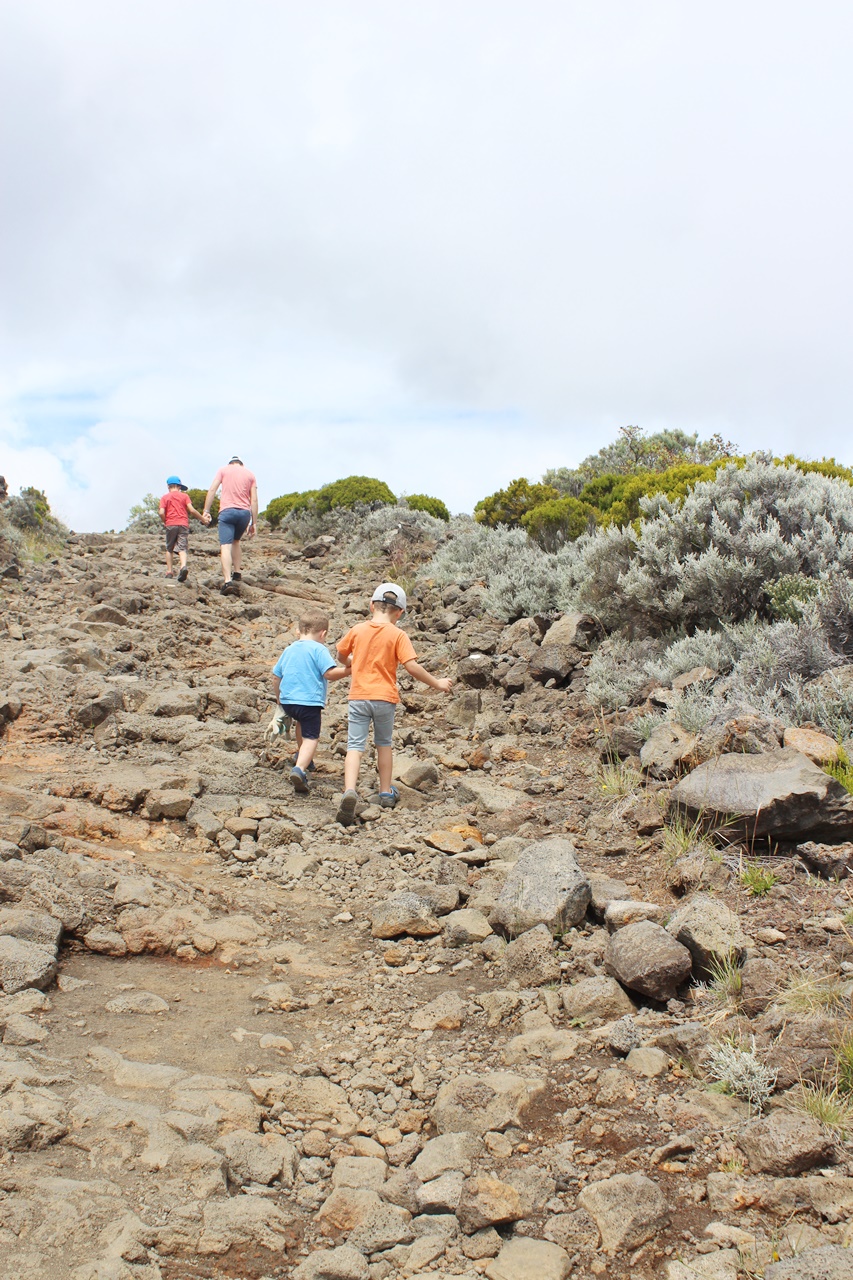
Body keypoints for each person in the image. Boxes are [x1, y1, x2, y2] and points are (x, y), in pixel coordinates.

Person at [334, 582, 453, 825]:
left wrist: (351, 664)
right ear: (399, 612)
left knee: (355, 746)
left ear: (371, 606)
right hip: (385, 698)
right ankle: (386, 792)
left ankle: (349, 790)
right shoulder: (398, 634)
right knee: (384, 744)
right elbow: (412, 667)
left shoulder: (357, 629)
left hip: (358, 696)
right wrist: (437, 683)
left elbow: (340, 655)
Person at [271, 611, 349, 793]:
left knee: (300, 724)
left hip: (289, 701)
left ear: (298, 631)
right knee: (311, 737)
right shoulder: (319, 649)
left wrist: (279, 699)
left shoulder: (289, 649)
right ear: (323, 634)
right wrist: (348, 671)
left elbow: (276, 676)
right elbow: (329, 673)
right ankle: (299, 769)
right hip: (310, 702)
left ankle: (304, 757)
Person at [201, 456, 258, 593]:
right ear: (241, 465)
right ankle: (237, 573)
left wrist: (206, 511)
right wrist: (253, 522)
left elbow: (212, 490)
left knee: (225, 546)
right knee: (236, 541)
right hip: (244, 513)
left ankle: (227, 581)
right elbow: (254, 500)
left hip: (227, 512)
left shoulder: (223, 470)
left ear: (230, 463)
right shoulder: (250, 474)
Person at [159, 476, 205, 582]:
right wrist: (202, 519)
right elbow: (192, 510)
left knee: (169, 548)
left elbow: (161, 512)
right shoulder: (185, 496)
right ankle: (183, 567)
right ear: (179, 486)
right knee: (182, 548)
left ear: (168, 486)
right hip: (183, 524)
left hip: (170, 524)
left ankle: (169, 571)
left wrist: (165, 521)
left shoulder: (164, 498)